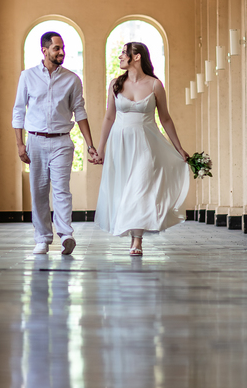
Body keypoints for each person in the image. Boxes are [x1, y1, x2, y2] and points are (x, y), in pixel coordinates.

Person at [91, 41, 190, 255]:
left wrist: (179, 148)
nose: (120, 57)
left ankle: (137, 240)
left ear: (136, 57)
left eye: (123, 54)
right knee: (125, 189)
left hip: (147, 143)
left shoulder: (155, 85)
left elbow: (165, 119)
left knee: (140, 186)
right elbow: (109, 117)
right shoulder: (115, 84)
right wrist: (101, 149)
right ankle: (132, 231)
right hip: (120, 144)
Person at [12, 31, 100, 255]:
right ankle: (42, 238)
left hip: (62, 141)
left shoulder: (72, 79)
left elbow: (80, 112)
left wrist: (90, 145)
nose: (62, 52)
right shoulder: (27, 76)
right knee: (39, 191)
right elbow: (19, 111)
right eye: (57, 48)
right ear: (44, 50)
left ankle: (66, 235)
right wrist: (20, 145)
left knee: (62, 190)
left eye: (62, 48)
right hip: (35, 141)